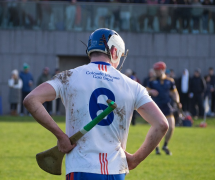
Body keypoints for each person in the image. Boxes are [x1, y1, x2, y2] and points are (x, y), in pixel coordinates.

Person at [23, 28, 168, 179]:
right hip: (115, 170)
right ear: (114, 52)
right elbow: (162, 124)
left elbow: (31, 100)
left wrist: (60, 136)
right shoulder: (134, 86)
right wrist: (135, 160)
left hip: (80, 167)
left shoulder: (69, 77)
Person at [146, 61, 181, 155]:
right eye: (155, 70)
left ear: (163, 70)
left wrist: (177, 101)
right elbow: (145, 91)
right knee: (156, 128)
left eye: (157, 70)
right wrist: (151, 91)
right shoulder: (151, 81)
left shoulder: (170, 81)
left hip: (167, 106)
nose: (155, 72)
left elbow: (174, 92)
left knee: (171, 126)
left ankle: (165, 145)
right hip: (156, 107)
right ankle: (156, 147)